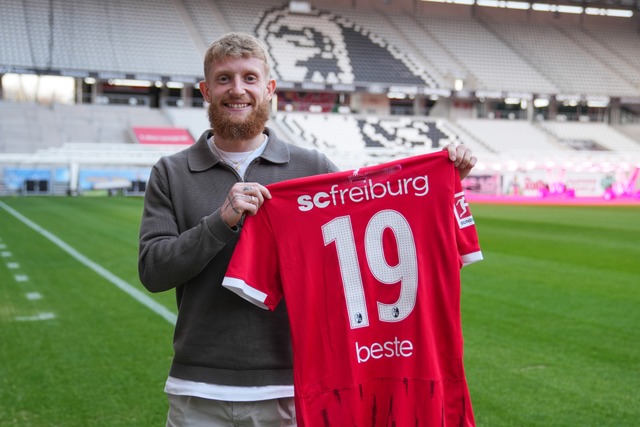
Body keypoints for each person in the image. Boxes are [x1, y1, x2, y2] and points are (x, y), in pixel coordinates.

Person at [138, 32, 478, 427]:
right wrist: (220, 222)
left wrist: (442, 181)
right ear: (205, 90)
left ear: (269, 90)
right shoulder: (171, 171)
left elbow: (374, 224)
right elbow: (153, 271)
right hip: (198, 389)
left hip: (293, 388)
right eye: (224, 78)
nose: (237, 90)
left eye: (249, 78)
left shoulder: (312, 167)